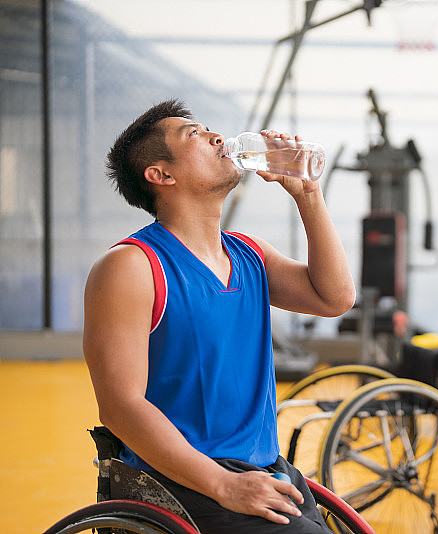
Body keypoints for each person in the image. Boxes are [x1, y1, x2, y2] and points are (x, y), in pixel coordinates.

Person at [82, 99, 356, 533]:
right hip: (186, 484)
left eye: (209, 128)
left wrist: (308, 195)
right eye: (193, 134)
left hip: (264, 470)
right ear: (161, 175)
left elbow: (335, 298)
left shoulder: (249, 253)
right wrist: (224, 485)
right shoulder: (130, 267)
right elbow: (120, 406)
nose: (215, 136)